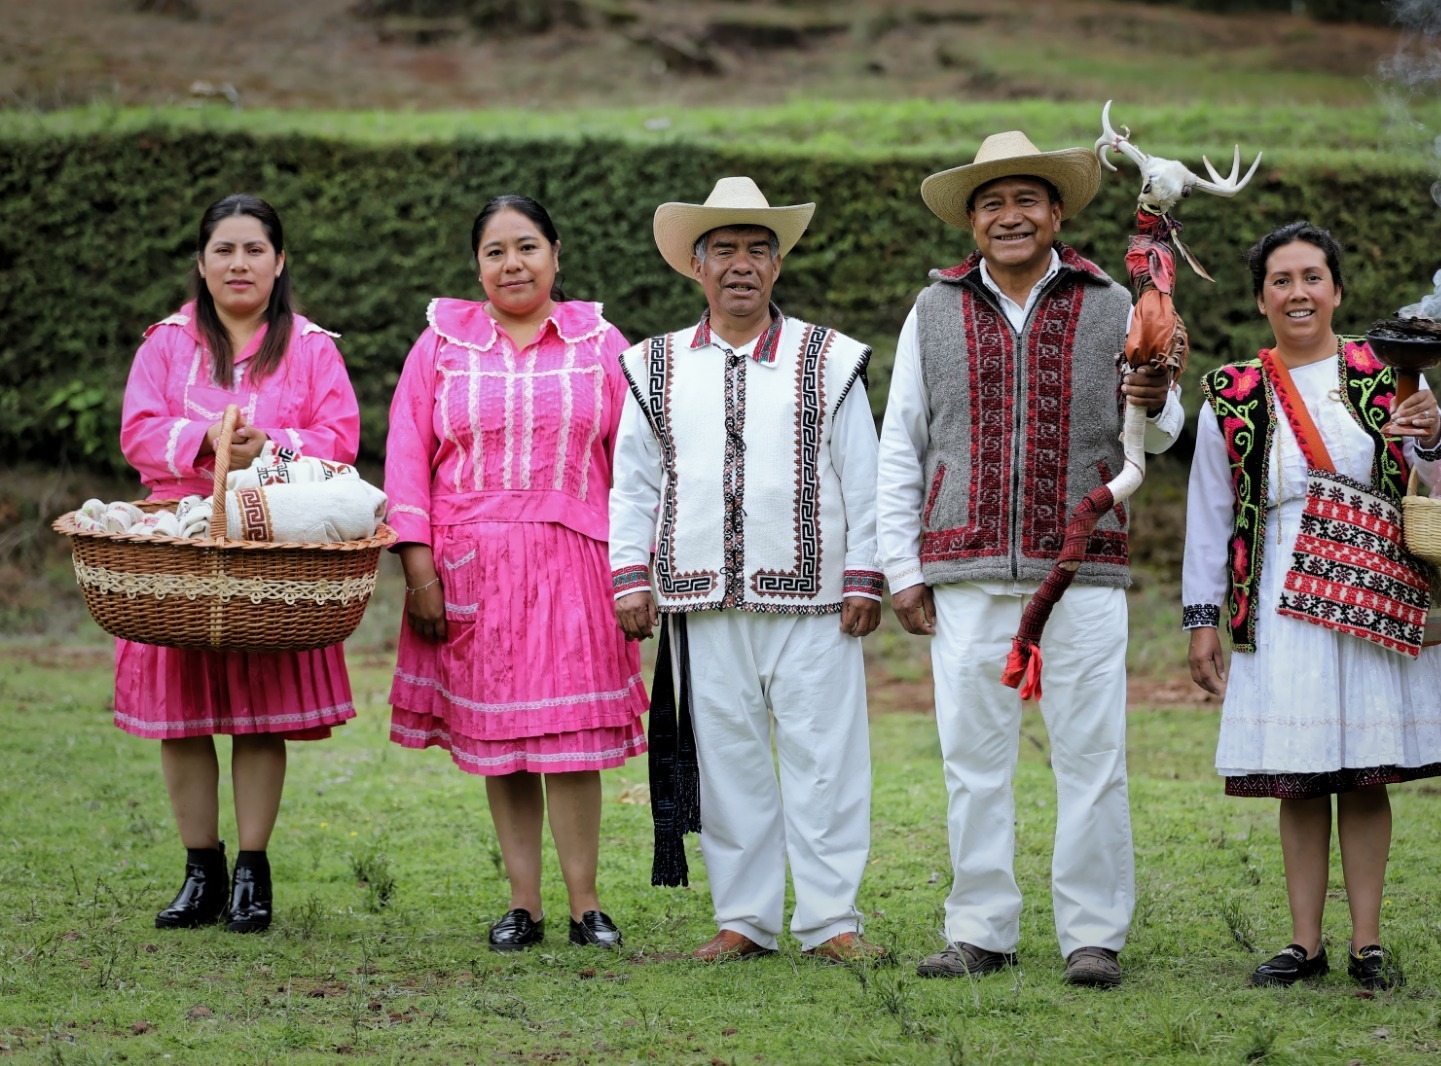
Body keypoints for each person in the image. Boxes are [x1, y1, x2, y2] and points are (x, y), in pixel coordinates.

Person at [877, 131, 1184, 988]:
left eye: (1026, 201)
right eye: (991, 204)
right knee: (971, 761)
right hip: (965, 571)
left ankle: (1093, 936)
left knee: (1092, 755)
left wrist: (1156, 400)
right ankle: (980, 930)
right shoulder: (931, 310)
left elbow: (1164, 431)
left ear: (1056, 212)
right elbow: (901, 443)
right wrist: (901, 567)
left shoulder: (1116, 299)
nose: (1009, 216)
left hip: (1082, 565)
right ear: (972, 222)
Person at [1183, 221, 1441, 990]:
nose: (1298, 291)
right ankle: (1304, 945)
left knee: (1365, 774)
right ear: (1260, 299)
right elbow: (1210, 511)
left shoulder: (1389, 370)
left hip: (1370, 582)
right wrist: (1198, 618)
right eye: (1281, 280)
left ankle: (1367, 944)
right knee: (1300, 775)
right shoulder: (1232, 391)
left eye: (1312, 276)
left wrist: (1435, 431)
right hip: (1278, 590)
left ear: (1337, 291)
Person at [609, 177, 885, 964]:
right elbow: (633, 480)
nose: (741, 265)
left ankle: (834, 921)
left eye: (757, 250)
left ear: (777, 265)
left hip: (817, 601)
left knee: (826, 762)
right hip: (700, 599)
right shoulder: (653, 366)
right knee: (726, 764)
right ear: (695, 267)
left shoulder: (828, 360)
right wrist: (631, 574)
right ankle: (746, 920)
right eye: (723, 250)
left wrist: (866, 573)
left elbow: (860, 475)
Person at [384, 195, 648, 952]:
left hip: (576, 563)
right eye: (496, 251)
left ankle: (586, 904)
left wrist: (636, 565)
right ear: (477, 266)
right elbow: (406, 454)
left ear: (557, 254)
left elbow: (635, 462)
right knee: (500, 741)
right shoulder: (440, 344)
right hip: (472, 569)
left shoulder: (600, 344)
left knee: (567, 735)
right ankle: (523, 904)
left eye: (527, 247)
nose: (513, 264)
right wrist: (419, 568)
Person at [119, 193, 361, 934]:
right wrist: (209, 439)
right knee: (183, 718)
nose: (239, 263)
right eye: (224, 249)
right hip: (183, 550)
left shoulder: (312, 346)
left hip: (271, 551)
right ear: (201, 262)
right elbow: (138, 430)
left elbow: (340, 438)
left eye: (255, 249)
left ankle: (253, 874)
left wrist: (273, 445)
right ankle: (202, 872)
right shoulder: (166, 343)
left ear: (279, 261)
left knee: (260, 715)